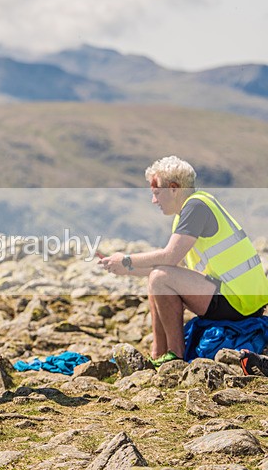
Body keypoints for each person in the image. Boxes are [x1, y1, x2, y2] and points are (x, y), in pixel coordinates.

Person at [100, 156, 268, 366]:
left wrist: (126, 260)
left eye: (156, 193)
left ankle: (175, 356)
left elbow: (169, 258)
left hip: (239, 301)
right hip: (237, 296)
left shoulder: (196, 206)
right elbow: (173, 267)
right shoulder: (187, 212)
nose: (154, 200)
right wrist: (127, 269)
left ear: (173, 188)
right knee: (157, 278)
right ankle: (158, 355)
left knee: (160, 278)